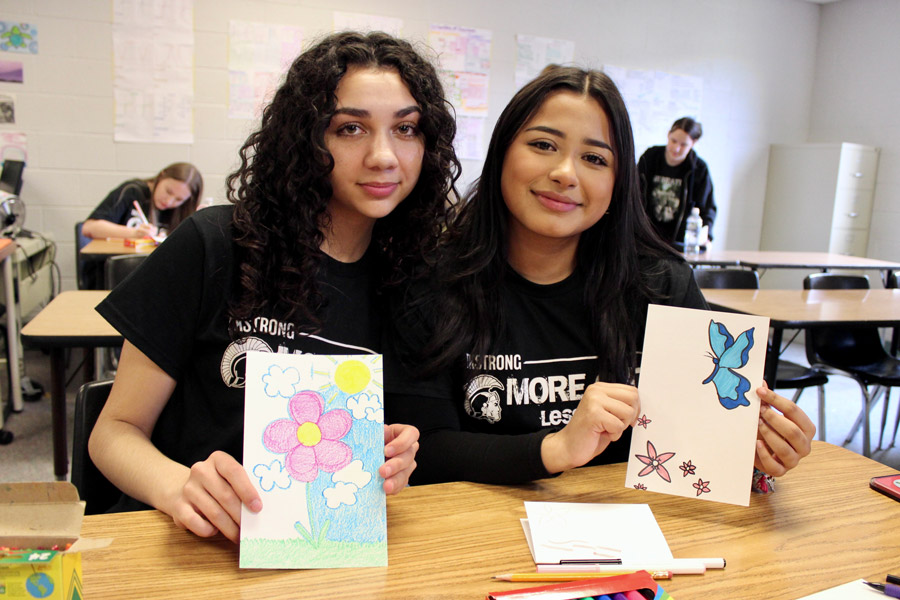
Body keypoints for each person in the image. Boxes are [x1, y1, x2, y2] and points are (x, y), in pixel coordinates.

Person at [88, 31, 461, 543]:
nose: (383, 155)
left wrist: (397, 453)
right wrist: (177, 488)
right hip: (182, 543)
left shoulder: (414, 280)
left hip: (320, 550)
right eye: (350, 128)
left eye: (407, 129)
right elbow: (113, 433)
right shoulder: (216, 245)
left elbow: (393, 443)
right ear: (306, 139)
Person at [384, 65, 814, 488]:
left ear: (618, 180)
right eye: (543, 144)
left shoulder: (662, 285)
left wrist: (757, 453)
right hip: (479, 537)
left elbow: (705, 450)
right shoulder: (429, 282)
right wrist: (555, 448)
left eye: (594, 158)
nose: (565, 173)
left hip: (639, 537)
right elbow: (424, 452)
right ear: (502, 153)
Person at [637, 117, 716, 249]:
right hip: (645, 237)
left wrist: (706, 236)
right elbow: (632, 191)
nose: (676, 148)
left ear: (693, 143)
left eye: (683, 144)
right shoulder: (650, 157)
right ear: (668, 134)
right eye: (673, 141)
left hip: (679, 241)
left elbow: (707, 207)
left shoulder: (699, 169)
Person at [82, 162, 204, 240]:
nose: (169, 201)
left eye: (179, 199)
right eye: (168, 191)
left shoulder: (182, 211)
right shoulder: (132, 191)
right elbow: (89, 228)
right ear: (161, 176)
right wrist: (134, 234)